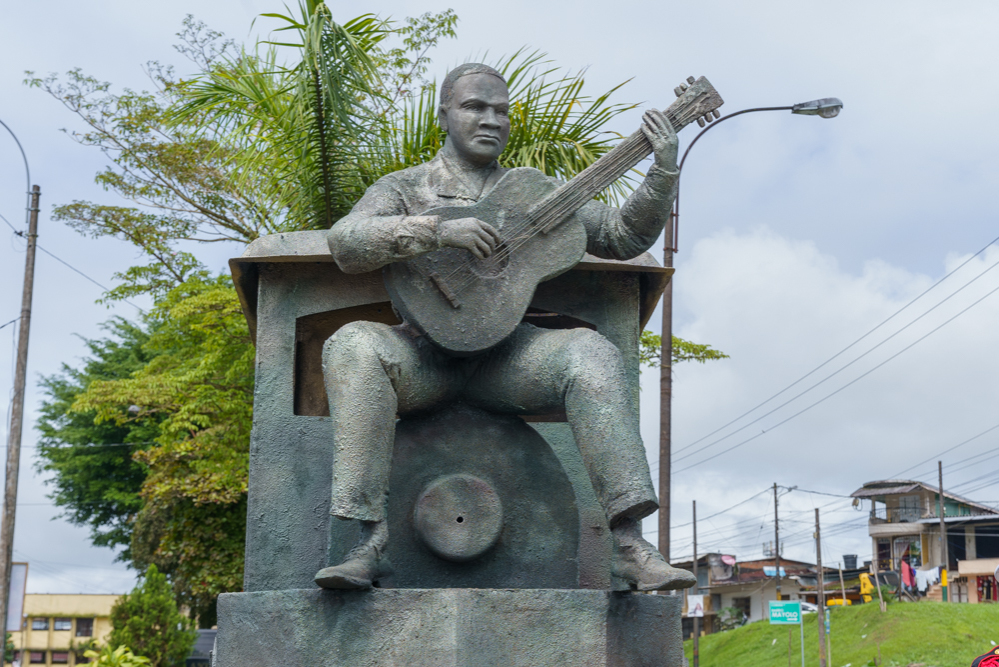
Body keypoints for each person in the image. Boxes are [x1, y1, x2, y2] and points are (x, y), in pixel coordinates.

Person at [313, 63, 695, 592]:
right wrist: (434, 231)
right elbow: (347, 242)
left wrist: (662, 171)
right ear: (443, 113)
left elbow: (622, 235)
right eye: (474, 106)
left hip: (506, 360)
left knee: (590, 353)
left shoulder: (533, 193)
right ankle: (367, 543)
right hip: (421, 355)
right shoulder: (404, 187)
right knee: (352, 344)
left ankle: (629, 547)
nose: (490, 120)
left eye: (502, 111)